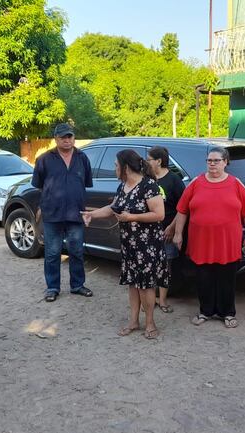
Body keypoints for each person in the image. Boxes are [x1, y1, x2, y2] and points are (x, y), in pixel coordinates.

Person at [82, 150, 167, 339]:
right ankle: (134, 321)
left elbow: (159, 214)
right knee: (132, 283)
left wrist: (132, 217)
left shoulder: (149, 186)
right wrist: (91, 214)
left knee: (146, 285)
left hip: (147, 245)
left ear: (125, 167)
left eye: (115, 165)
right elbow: (114, 208)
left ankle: (150, 323)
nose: (114, 168)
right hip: (129, 245)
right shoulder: (123, 186)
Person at [173, 147, 245, 329]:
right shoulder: (196, 183)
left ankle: (228, 312)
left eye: (216, 160)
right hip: (201, 242)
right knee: (204, 278)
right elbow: (182, 210)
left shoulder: (236, 184)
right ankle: (206, 311)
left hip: (228, 242)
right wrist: (178, 233)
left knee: (227, 279)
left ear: (225, 162)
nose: (212, 164)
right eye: (209, 160)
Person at [32, 123, 94, 302]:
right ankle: (52, 287)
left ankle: (77, 285)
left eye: (70, 137)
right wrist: (41, 207)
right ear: (56, 139)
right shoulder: (44, 159)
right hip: (52, 214)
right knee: (52, 252)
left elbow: (86, 183)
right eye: (63, 137)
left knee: (76, 251)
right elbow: (38, 185)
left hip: (76, 213)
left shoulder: (82, 158)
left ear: (74, 138)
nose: (67, 140)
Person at [146, 146, 185, 313]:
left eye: (149, 160)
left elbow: (183, 208)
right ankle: (151, 298)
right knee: (149, 265)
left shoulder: (174, 180)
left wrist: (172, 227)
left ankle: (162, 300)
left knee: (165, 266)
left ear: (159, 161)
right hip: (148, 231)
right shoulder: (148, 179)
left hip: (167, 231)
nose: (147, 163)